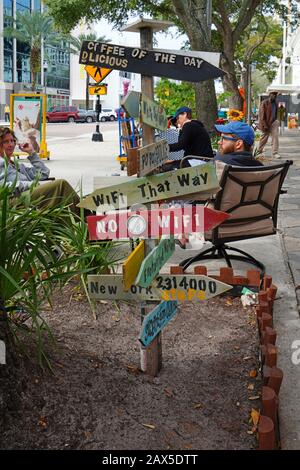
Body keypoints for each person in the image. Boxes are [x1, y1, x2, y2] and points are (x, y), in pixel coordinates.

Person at [0, 126, 80, 213]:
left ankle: (82, 217)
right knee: (61, 184)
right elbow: (2, 186)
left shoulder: (15, 165)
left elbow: (43, 173)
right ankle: (88, 215)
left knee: (60, 195)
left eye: (12, 141)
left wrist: (32, 153)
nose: (11, 144)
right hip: (9, 200)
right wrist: (32, 185)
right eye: (5, 142)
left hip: (25, 195)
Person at [163, 106, 214, 170]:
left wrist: (163, 148)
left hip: (199, 161)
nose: (177, 121)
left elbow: (180, 145)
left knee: (166, 168)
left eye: (177, 118)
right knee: (169, 164)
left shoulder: (188, 125)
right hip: (201, 160)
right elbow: (185, 147)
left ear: (185, 114)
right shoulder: (194, 125)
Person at [257, 91, 280, 159]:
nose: (275, 96)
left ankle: (275, 153)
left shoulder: (275, 103)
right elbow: (262, 115)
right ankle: (259, 151)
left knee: (275, 137)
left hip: (273, 123)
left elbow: (276, 113)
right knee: (264, 138)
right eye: (273, 95)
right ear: (270, 95)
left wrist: (276, 120)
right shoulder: (264, 103)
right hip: (266, 123)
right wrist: (265, 125)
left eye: (276, 95)